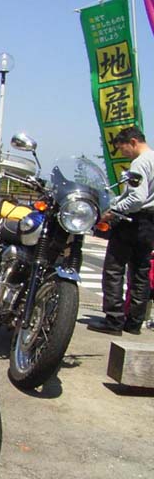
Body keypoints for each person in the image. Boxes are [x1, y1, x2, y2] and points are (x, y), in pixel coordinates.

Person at [87, 126, 154, 335]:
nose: (123, 154)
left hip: (131, 221)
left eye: (123, 148)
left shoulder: (140, 163)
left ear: (133, 142)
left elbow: (136, 198)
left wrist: (113, 211)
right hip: (150, 223)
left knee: (114, 269)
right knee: (141, 272)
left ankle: (114, 320)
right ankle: (134, 323)